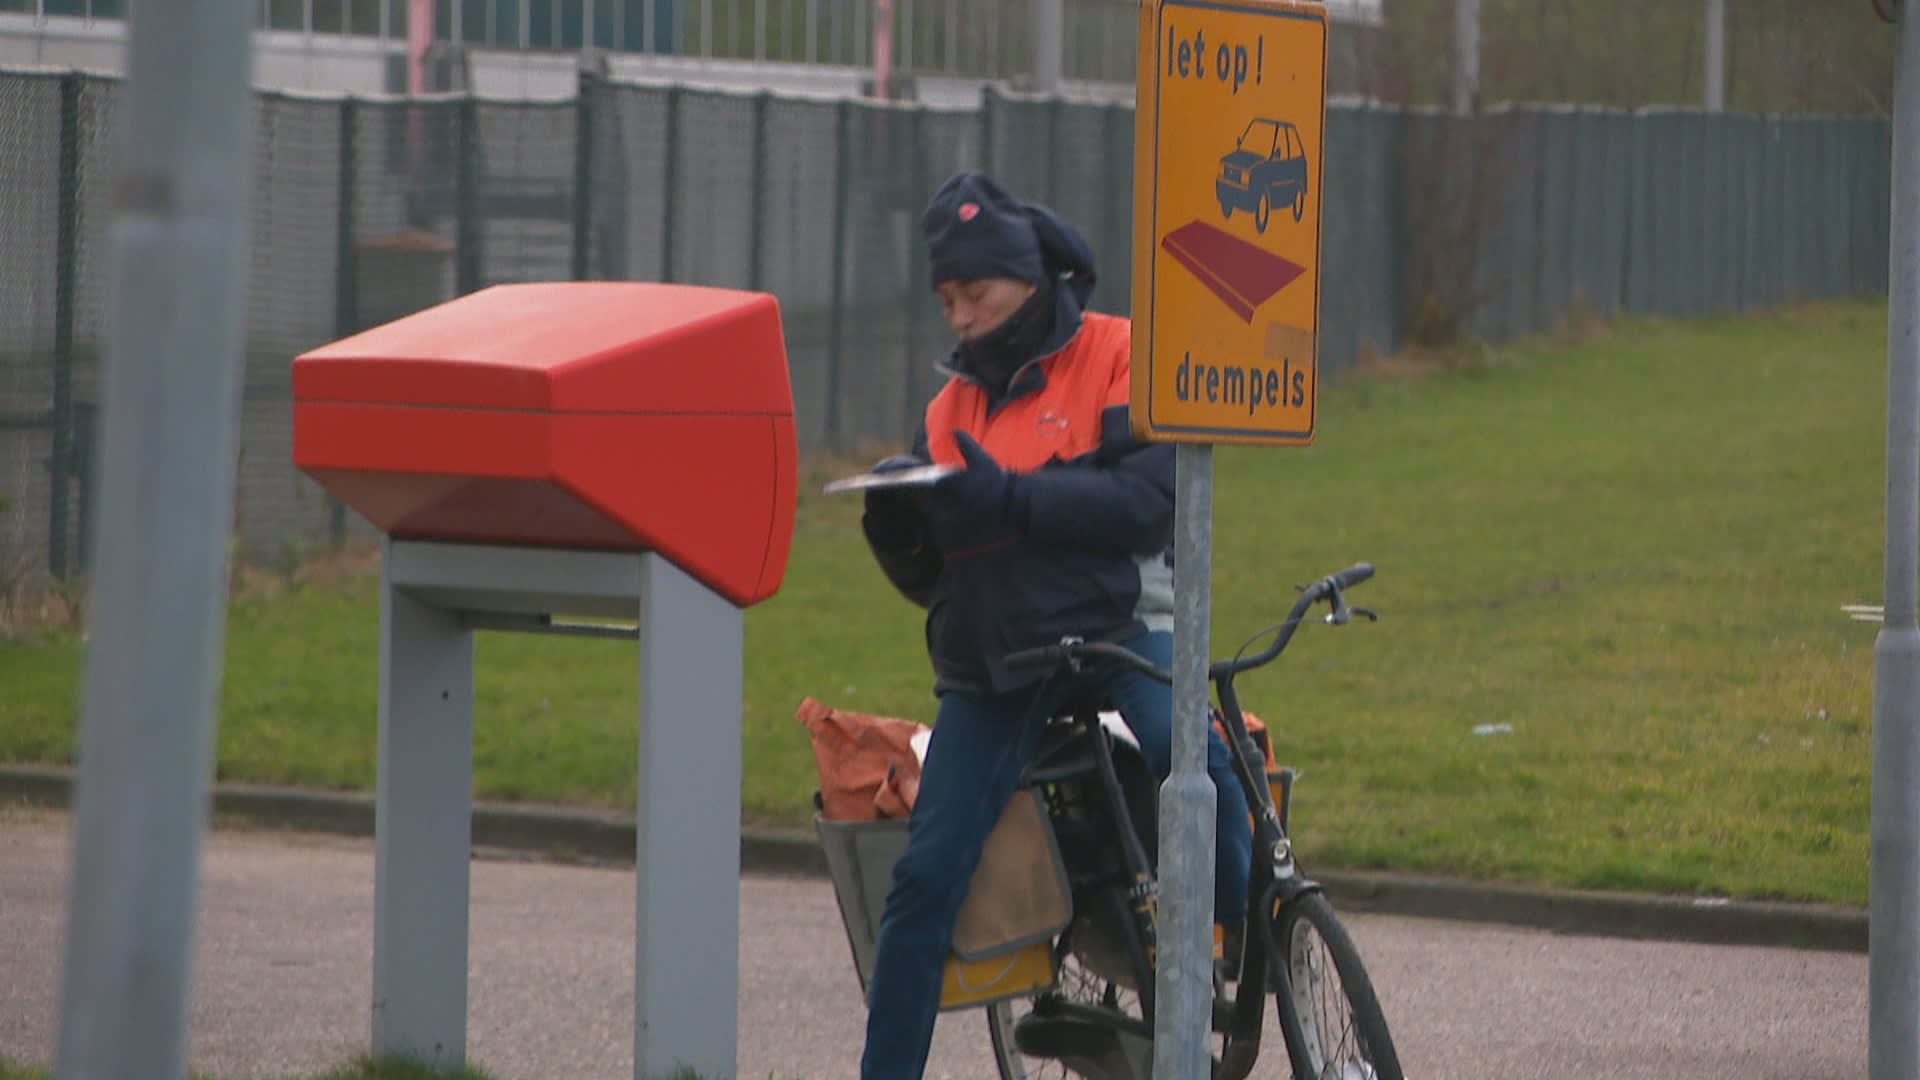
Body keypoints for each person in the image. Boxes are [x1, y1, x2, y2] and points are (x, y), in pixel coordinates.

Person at [855, 170, 1253, 1080]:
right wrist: (896, 531)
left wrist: (1015, 499)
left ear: (1027, 282)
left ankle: (1235, 950)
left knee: (1194, 763)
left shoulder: (1117, 352)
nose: (958, 315)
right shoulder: (950, 407)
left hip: (1121, 619)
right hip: (1002, 657)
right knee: (923, 880)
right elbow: (939, 582)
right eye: (946, 298)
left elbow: (1149, 506)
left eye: (975, 294)